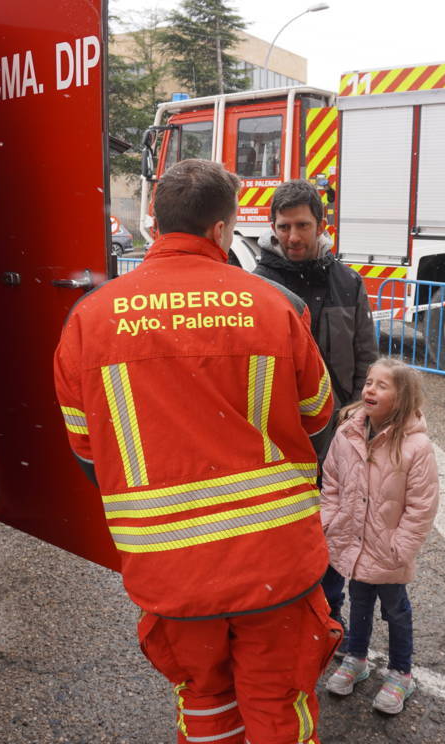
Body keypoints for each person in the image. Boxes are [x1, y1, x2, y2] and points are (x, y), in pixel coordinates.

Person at [53, 159, 341, 744]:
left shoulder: (88, 318)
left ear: (154, 222)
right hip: (274, 559)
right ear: (220, 229)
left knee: (205, 700)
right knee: (278, 704)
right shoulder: (276, 305)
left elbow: (86, 450)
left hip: (168, 564)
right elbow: (318, 416)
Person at [253, 179, 380, 642]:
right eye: (284, 226)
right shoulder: (257, 286)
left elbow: (365, 355)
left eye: (302, 226)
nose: (293, 237)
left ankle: (328, 613)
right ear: (272, 226)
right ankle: (282, 610)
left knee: (334, 524)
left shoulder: (348, 282)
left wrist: (362, 414)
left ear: (321, 225)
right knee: (281, 526)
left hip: (337, 428)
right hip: (278, 431)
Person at [319, 358, 439, 715]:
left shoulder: (416, 447)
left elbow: (422, 506)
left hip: (388, 550)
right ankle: (357, 658)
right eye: (369, 382)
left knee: (395, 610)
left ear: (401, 398)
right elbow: (332, 481)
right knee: (358, 601)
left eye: (381, 385)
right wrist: (331, 521)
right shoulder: (347, 432)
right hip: (353, 541)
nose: (369, 389)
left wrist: (399, 548)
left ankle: (401, 672)